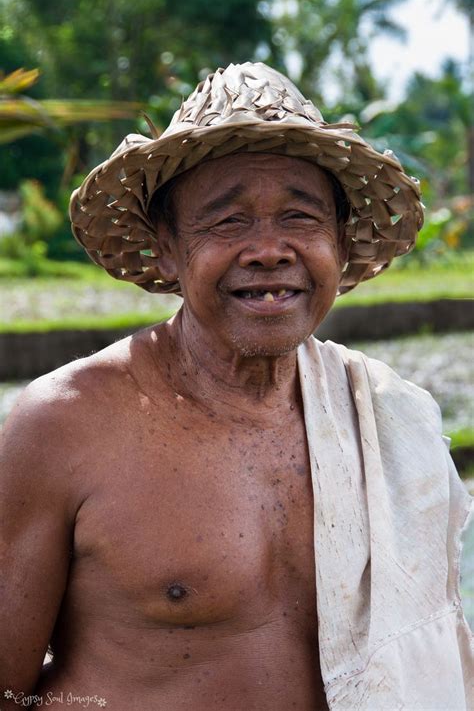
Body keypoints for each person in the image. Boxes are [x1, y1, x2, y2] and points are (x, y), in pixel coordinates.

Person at [0, 62, 472, 711]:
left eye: (301, 219)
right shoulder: (63, 426)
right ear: (166, 248)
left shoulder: (392, 421)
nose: (269, 250)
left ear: (338, 242)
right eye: (228, 222)